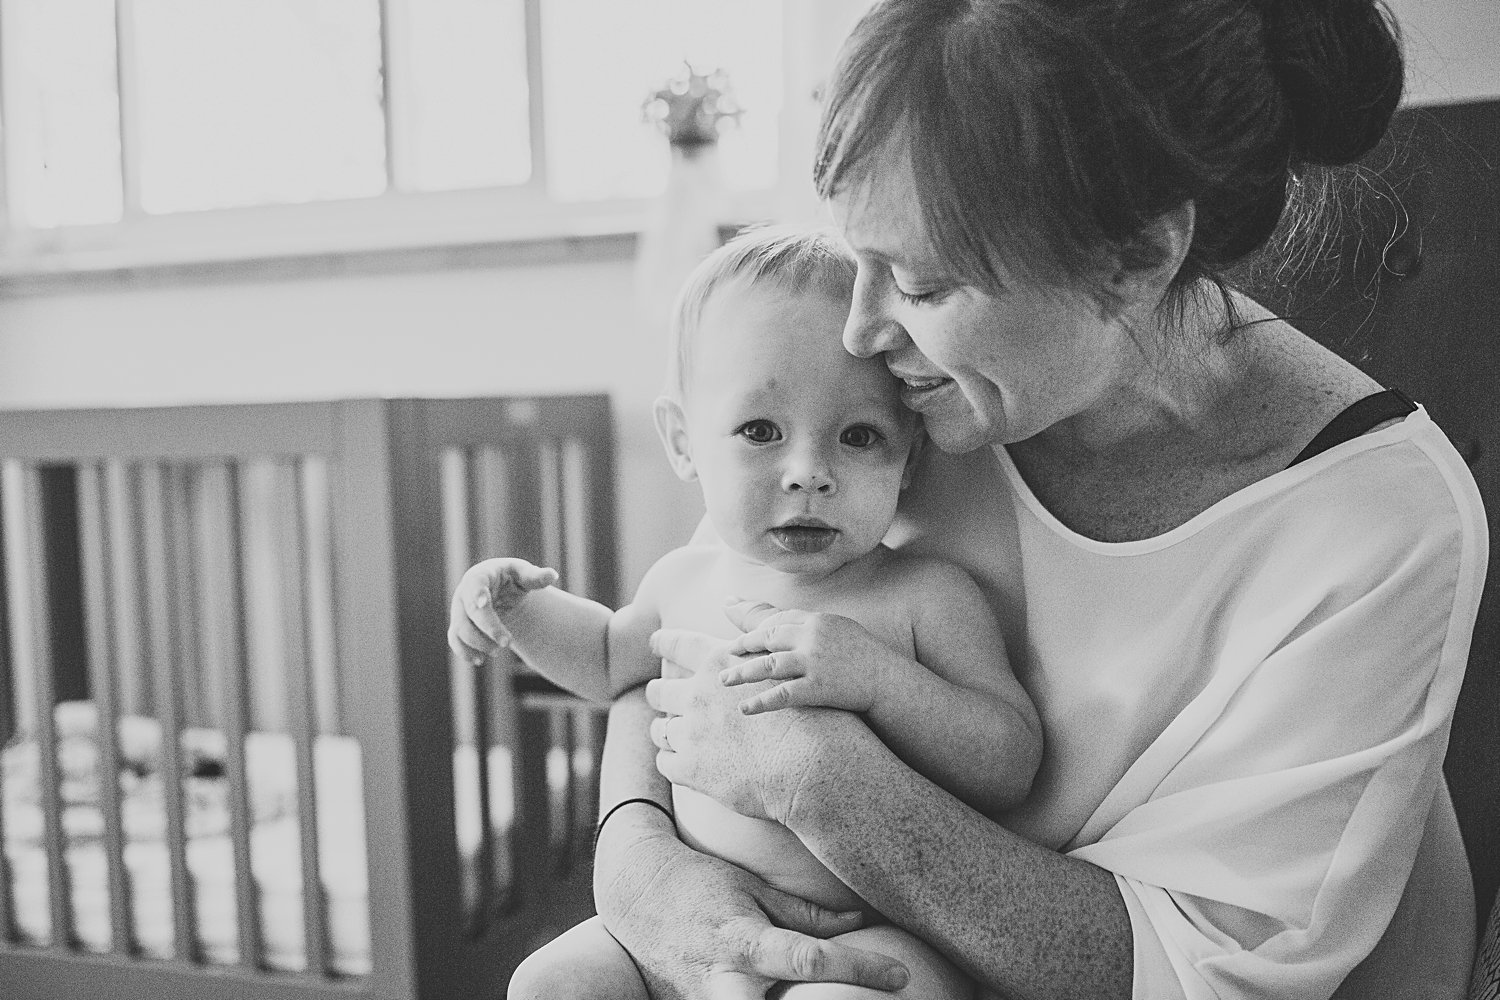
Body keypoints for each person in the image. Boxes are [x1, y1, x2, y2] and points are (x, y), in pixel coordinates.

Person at [538, 0, 1488, 998]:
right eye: (856, 254)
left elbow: (1189, 971)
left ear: (1138, 256)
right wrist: (643, 865)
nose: (860, 330)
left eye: (925, 283)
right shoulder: (899, 396)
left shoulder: (1377, 522)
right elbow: (693, 618)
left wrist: (829, 788)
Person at [448, 226, 1042, 999]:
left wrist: (880, 681)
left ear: (909, 461)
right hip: (688, 911)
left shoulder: (926, 596)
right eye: (761, 432)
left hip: (870, 929)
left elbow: (1010, 761)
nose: (808, 474)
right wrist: (517, 608)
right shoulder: (682, 580)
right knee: (550, 982)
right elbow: (603, 659)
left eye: (859, 437)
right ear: (684, 440)